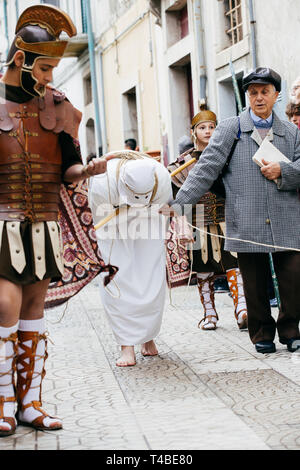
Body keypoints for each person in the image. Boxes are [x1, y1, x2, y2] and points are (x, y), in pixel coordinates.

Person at [0, 4, 108, 437]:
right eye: (44, 68)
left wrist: (88, 170)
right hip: (0, 222)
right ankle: (4, 400)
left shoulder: (59, 107)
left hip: (43, 222)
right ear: (21, 59)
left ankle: (30, 403)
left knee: (33, 307)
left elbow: (68, 168)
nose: (49, 78)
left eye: (53, 69)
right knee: (5, 303)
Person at [163, 67, 300, 355]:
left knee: (292, 280)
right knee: (254, 281)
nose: (259, 97)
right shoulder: (230, 129)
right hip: (247, 217)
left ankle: (290, 331)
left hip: (286, 217)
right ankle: (262, 334)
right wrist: (180, 203)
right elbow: (205, 169)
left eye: (265, 92)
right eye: (253, 92)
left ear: (277, 95)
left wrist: (283, 170)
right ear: (247, 96)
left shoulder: (290, 131)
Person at [89, 151, 172, 367]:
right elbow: (96, 214)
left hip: (149, 221)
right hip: (111, 224)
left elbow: (164, 207)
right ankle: (127, 346)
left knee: (151, 278)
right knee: (117, 279)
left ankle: (148, 339)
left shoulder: (160, 176)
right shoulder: (102, 181)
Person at [167, 110, 247, 331]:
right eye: (202, 128)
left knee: (234, 263)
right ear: (193, 132)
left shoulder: (226, 155)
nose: (208, 132)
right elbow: (175, 191)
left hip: (225, 215)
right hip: (198, 219)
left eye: (212, 127)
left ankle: (241, 308)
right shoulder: (182, 163)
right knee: (203, 269)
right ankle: (209, 313)